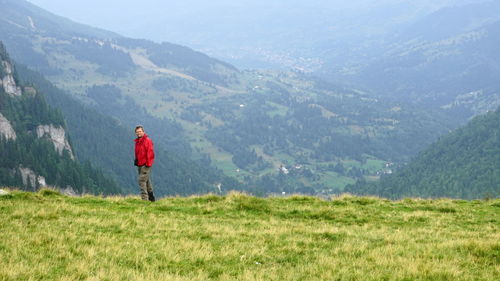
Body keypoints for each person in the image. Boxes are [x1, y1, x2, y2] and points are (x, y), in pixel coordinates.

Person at [134, 125, 155, 201]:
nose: (138, 133)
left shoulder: (147, 141)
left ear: (143, 132)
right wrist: (136, 160)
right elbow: (138, 152)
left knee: (141, 180)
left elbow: (150, 153)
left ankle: (145, 200)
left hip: (145, 164)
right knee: (147, 181)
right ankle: (152, 199)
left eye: (140, 131)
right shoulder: (138, 142)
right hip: (140, 164)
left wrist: (148, 164)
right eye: (137, 132)